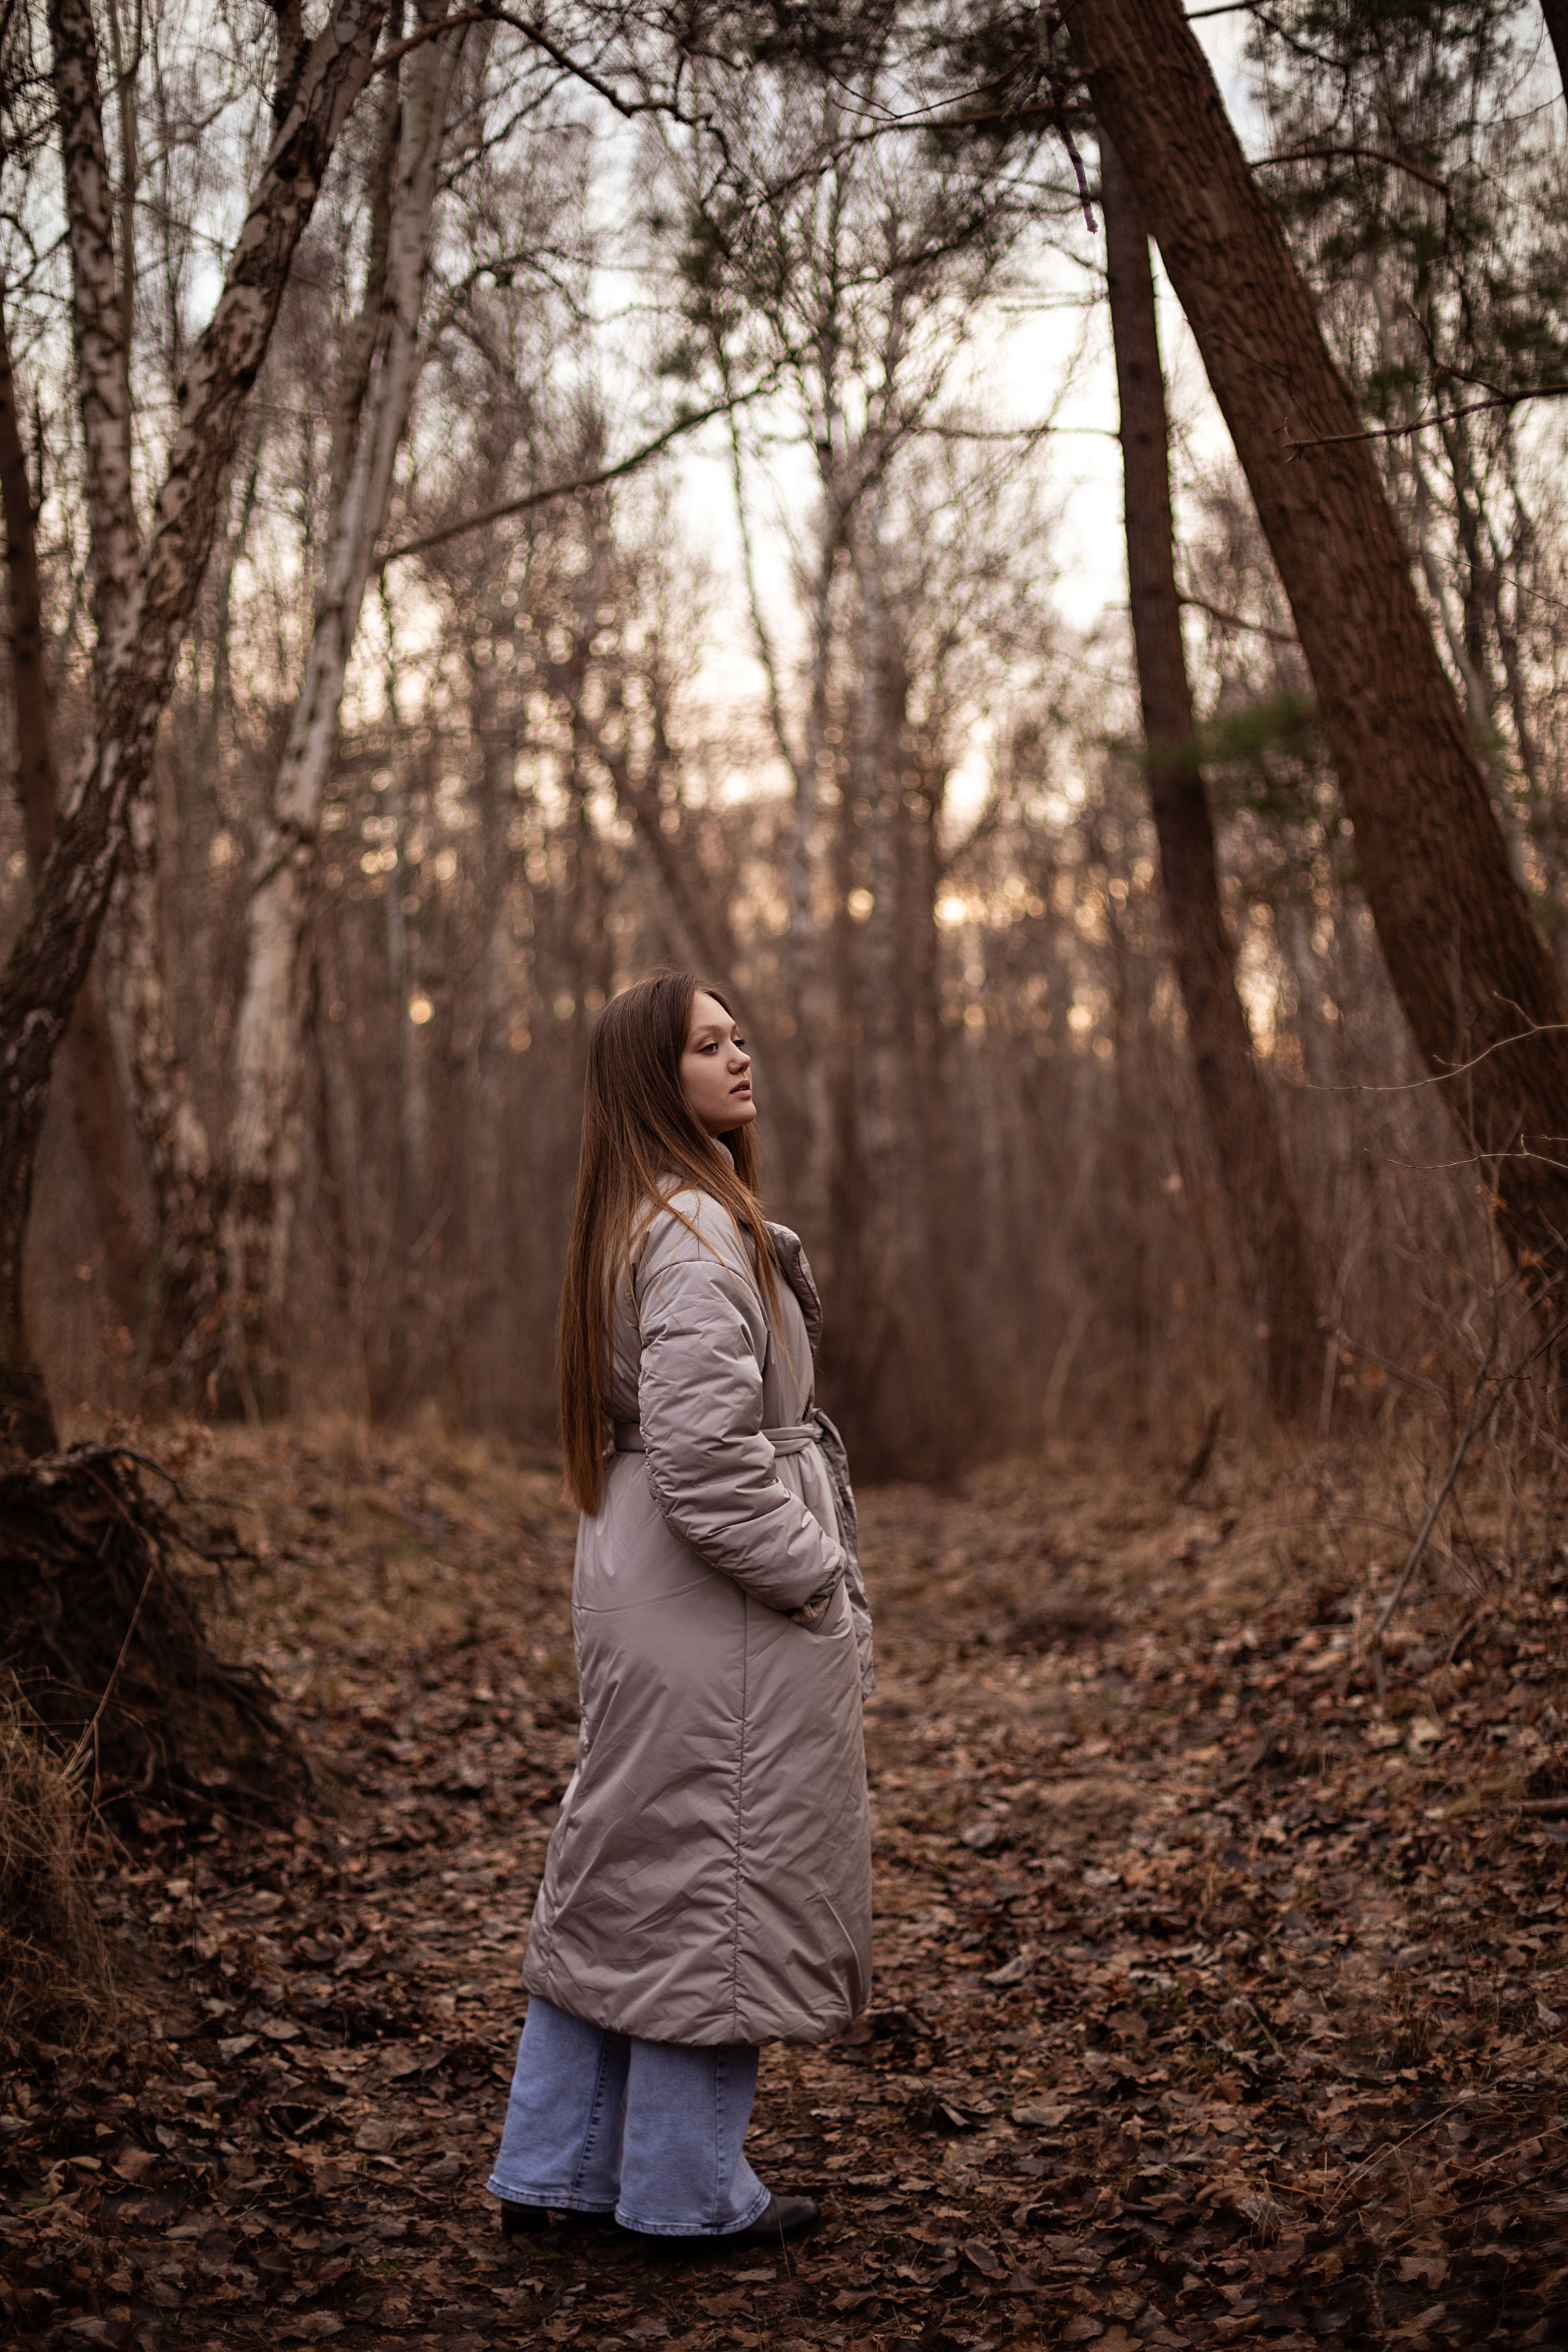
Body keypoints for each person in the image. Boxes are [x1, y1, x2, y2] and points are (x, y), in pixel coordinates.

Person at [486, 971, 874, 2248]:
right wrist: (809, 1570)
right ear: (656, 1079)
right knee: (722, 1879)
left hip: (646, 1583)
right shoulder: (696, 1231)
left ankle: (556, 2170)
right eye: (707, 1045)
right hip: (714, 1607)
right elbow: (710, 1459)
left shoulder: (641, 1217)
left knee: (628, 1874)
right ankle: (682, 2192)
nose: (738, 1056)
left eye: (738, 1035)